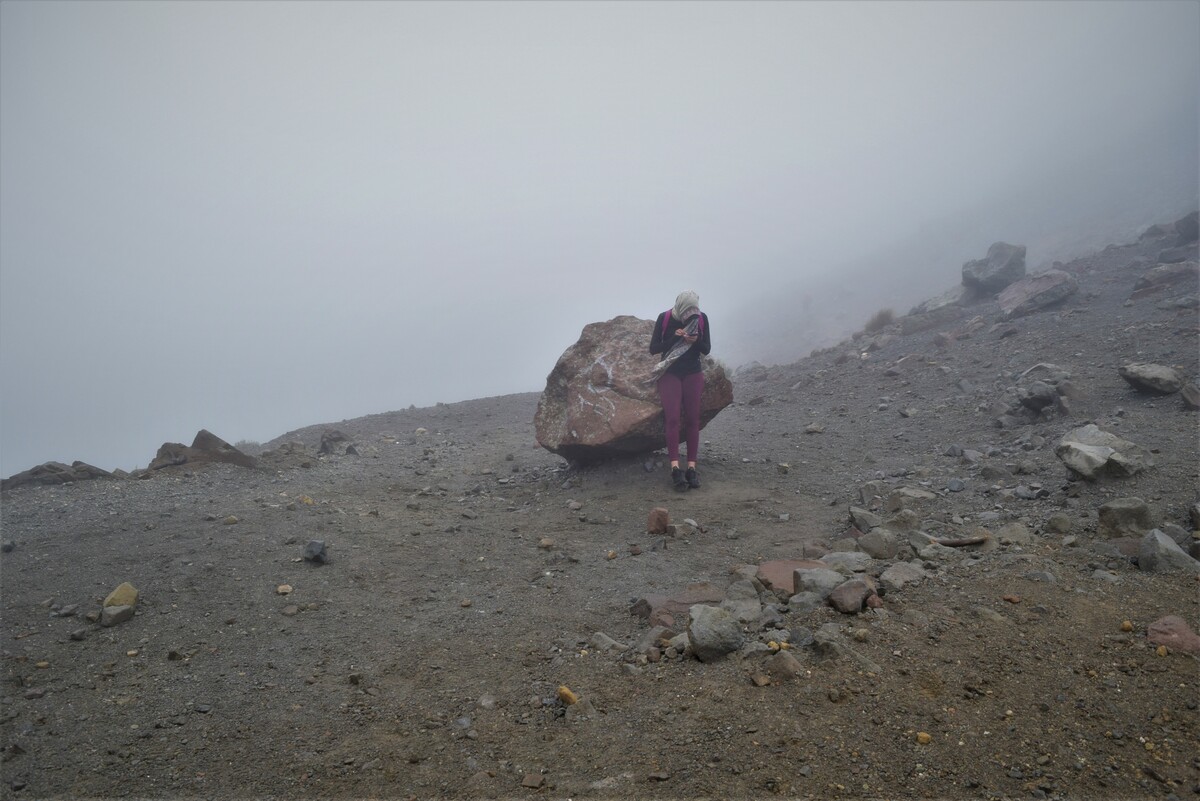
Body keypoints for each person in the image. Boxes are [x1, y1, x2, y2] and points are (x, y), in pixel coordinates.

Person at [649, 290, 711, 491]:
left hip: (693, 372)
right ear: (680, 307)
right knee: (673, 419)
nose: (690, 316)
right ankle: (675, 468)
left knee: (693, 419)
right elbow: (654, 348)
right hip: (670, 373)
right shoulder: (665, 318)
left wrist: (695, 341)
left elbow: (706, 348)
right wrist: (674, 339)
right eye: (688, 311)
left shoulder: (701, 319)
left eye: (694, 311)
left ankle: (692, 468)